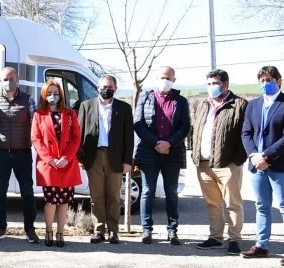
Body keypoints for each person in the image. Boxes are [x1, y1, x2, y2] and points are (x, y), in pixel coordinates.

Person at [241, 66, 284, 266]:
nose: (265, 83)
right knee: (262, 206)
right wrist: (254, 156)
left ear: (279, 81)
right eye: (262, 80)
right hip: (257, 165)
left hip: (280, 164)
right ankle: (261, 245)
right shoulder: (253, 105)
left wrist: (265, 156)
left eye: (269, 80)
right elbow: (246, 133)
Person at [190, 69, 248, 256]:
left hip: (228, 164)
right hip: (204, 164)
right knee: (212, 203)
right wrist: (195, 154)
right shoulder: (202, 105)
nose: (212, 87)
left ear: (226, 84)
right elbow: (196, 131)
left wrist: (238, 159)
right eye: (209, 84)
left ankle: (234, 239)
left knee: (233, 203)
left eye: (215, 83)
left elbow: (246, 134)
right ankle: (215, 237)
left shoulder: (239, 105)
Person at [133, 66, 190, 245]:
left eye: (168, 77)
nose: (165, 80)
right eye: (162, 77)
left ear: (174, 79)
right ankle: (146, 230)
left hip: (172, 153)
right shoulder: (145, 98)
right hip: (149, 152)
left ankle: (172, 230)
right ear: (157, 78)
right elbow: (138, 123)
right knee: (147, 191)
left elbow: (185, 127)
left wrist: (169, 143)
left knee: (171, 192)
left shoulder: (181, 101)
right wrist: (156, 143)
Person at [77, 75, 133, 244]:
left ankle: (113, 231)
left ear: (115, 89)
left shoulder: (123, 108)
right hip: (93, 157)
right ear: (97, 86)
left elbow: (128, 136)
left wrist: (127, 161)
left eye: (110, 86)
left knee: (114, 196)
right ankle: (98, 230)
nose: (106, 89)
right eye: (104, 86)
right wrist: (80, 158)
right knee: (96, 196)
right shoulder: (86, 106)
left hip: (115, 157)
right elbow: (79, 134)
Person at [0, 66, 37, 242]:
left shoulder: (28, 100)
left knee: (27, 192)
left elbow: (34, 124)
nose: (9, 81)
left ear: (18, 79)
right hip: (1, 154)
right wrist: (2, 140)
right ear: (0, 81)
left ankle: (30, 228)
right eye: (5, 79)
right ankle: (0, 227)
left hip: (23, 153)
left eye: (12, 78)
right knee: (0, 191)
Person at [31, 81, 82, 247]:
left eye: (56, 91)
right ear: (45, 95)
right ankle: (48, 231)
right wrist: (50, 159)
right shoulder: (39, 115)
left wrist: (66, 157)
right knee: (51, 200)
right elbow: (36, 139)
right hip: (49, 165)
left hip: (67, 163)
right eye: (50, 92)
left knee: (64, 201)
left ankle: (60, 232)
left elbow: (76, 138)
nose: (54, 95)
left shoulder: (70, 114)